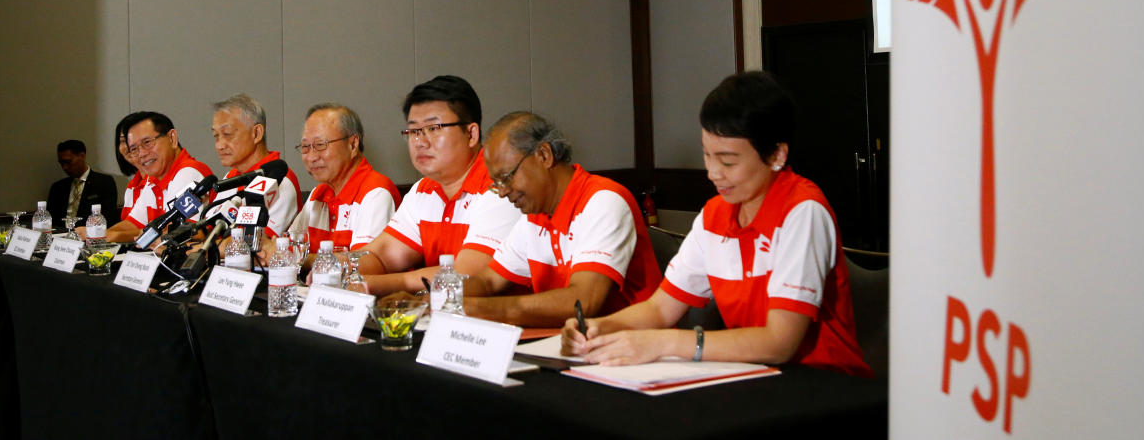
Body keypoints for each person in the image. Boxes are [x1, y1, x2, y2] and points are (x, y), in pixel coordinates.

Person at [560, 71, 871, 377]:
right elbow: (660, 308)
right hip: (754, 377)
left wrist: (666, 341)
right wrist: (602, 326)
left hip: (823, 382)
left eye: (728, 161)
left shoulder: (803, 211)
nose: (713, 172)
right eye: (707, 155)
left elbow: (780, 342)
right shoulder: (715, 215)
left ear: (777, 154)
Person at [462, 111, 662, 327]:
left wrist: (479, 309)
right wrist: (437, 298)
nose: (502, 192)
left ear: (544, 155)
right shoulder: (534, 215)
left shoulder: (603, 201)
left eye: (506, 177)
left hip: (632, 346)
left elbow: (584, 302)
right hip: (570, 342)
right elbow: (488, 281)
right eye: (496, 183)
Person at [351, 76, 521, 296]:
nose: (420, 142)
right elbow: (381, 255)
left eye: (433, 128)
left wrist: (370, 284)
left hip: (506, 324)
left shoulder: (501, 187)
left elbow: (464, 276)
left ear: (471, 134)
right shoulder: (424, 189)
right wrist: (334, 270)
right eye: (413, 131)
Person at [263, 104, 399, 267]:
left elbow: (362, 266)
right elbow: (289, 247)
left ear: (353, 144)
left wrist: (291, 257)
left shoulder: (376, 193)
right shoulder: (318, 194)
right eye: (305, 147)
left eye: (320, 145)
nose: (312, 157)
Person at [82, 111, 213, 245]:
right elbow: (133, 223)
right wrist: (99, 235)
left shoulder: (189, 172)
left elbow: (180, 233)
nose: (142, 154)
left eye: (147, 142)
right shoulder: (154, 178)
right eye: (134, 149)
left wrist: (111, 236)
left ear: (172, 138)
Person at [208, 93, 301, 237]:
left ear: (256, 133)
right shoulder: (229, 177)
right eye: (216, 136)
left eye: (227, 134)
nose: (219, 145)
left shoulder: (281, 180)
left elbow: (254, 243)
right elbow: (208, 231)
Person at [46, 139, 119, 227]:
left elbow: (108, 217)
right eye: (61, 163)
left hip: (90, 234)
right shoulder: (58, 187)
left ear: (82, 156)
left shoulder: (104, 182)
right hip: (60, 235)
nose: (65, 167)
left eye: (68, 162)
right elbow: (50, 220)